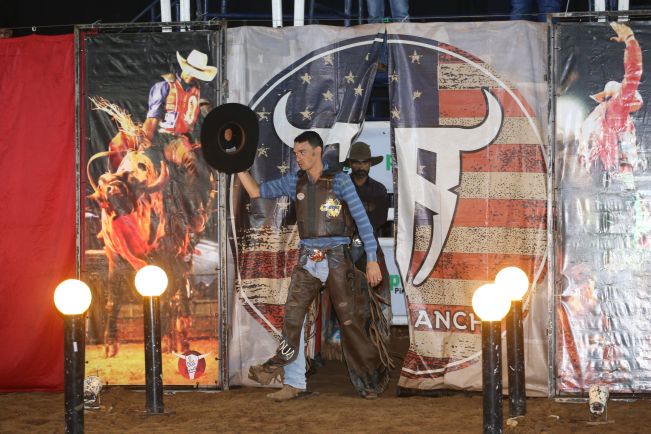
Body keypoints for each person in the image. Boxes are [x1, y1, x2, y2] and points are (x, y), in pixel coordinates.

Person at [238, 131, 392, 401]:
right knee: (292, 319)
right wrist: (238, 168)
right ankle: (294, 383)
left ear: (317, 151)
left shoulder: (340, 181)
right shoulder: (294, 181)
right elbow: (255, 191)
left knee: (350, 321)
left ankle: (371, 380)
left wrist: (371, 259)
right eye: (295, 153)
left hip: (337, 257)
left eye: (302, 152)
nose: (297, 157)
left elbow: (362, 220)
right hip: (308, 258)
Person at [578, 22, 643, 190]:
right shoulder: (615, 111)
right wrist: (630, 39)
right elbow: (633, 75)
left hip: (598, 180)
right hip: (614, 181)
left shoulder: (595, 118)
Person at [345, 142, 392, 326]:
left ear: (370, 164)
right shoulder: (340, 187)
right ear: (350, 164)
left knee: (382, 288)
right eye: (357, 162)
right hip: (344, 244)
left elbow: (378, 221)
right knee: (335, 290)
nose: (361, 166)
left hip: (368, 243)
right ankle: (334, 335)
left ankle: (381, 330)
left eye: (364, 162)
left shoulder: (379, 190)